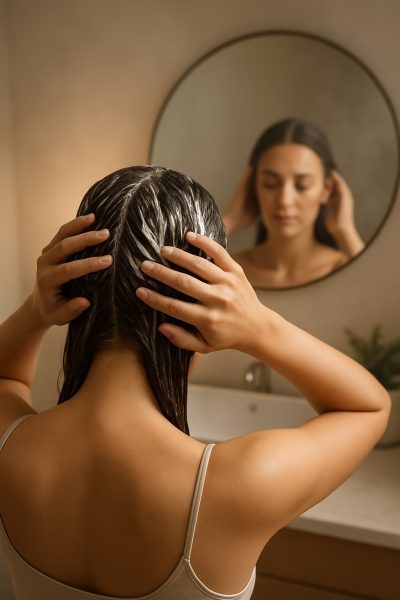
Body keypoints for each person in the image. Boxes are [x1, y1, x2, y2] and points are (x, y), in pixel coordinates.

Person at [0, 165, 389, 600]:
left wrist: (34, 311)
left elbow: (5, 376)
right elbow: (367, 406)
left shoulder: (10, 446)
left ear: (73, 288)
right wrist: (261, 327)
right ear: (199, 308)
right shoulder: (236, 485)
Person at [222, 118, 366, 288]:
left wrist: (346, 231)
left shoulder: (345, 268)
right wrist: (229, 220)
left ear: (326, 190)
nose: (284, 200)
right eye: (270, 184)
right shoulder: (229, 269)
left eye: (302, 186)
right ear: (253, 188)